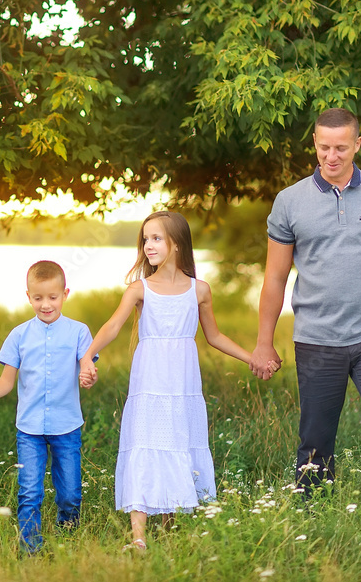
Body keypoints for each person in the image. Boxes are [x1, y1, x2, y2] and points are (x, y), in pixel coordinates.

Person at [250, 108, 361, 526]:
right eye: (324, 147)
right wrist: (263, 341)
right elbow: (275, 278)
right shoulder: (289, 201)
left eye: (341, 148)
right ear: (314, 143)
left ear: (358, 145)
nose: (331, 156)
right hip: (316, 337)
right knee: (315, 439)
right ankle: (314, 523)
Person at [77, 211, 254, 551]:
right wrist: (88, 356)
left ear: (176, 244)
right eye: (145, 239)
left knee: (177, 444)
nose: (148, 245)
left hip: (183, 384)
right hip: (149, 382)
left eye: (156, 238)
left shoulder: (199, 290)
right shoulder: (139, 289)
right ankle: (139, 537)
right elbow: (113, 326)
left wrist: (251, 357)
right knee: (144, 444)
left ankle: (169, 527)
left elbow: (214, 336)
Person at [0, 260, 98, 554]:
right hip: (29, 429)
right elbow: (6, 382)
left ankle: (68, 536)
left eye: (52, 297)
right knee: (30, 492)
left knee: (71, 494)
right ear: (28, 297)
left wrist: (87, 375)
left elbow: (86, 369)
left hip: (67, 426)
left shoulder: (79, 332)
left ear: (65, 294)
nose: (46, 304)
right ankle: (30, 549)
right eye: (38, 298)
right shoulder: (19, 335)